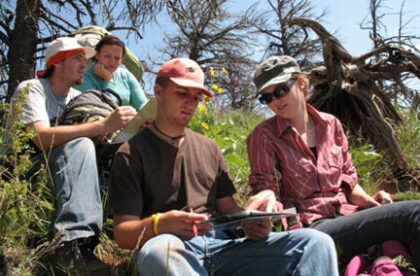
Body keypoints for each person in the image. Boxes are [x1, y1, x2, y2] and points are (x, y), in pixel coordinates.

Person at [108, 57, 339, 276]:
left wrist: (250, 224)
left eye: (197, 97)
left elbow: (228, 208)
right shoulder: (130, 153)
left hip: (224, 246)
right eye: (182, 93)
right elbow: (123, 234)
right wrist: (159, 224)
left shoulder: (209, 147)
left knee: (316, 243)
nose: (190, 103)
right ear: (158, 92)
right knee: (158, 252)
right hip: (174, 247)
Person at [246, 55, 420, 270]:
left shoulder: (331, 125)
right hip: (312, 228)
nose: (275, 101)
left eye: (281, 90)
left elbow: (348, 183)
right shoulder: (263, 136)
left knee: (403, 216)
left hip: (347, 215)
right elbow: (267, 192)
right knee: (413, 215)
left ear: (301, 83)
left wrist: (373, 204)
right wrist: (267, 212)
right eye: (266, 98)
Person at [7, 36, 137, 275]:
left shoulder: (75, 98)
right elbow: (40, 138)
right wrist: (101, 126)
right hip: (20, 174)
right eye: (77, 58)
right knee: (81, 146)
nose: (83, 64)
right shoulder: (33, 89)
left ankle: (136, 234)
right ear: (57, 62)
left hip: (61, 170)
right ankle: (70, 248)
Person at [74, 34, 148, 110]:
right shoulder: (83, 78)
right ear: (97, 55)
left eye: (117, 58)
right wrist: (108, 79)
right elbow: (106, 109)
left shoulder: (125, 76)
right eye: (107, 56)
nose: (112, 62)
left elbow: (143, 105)